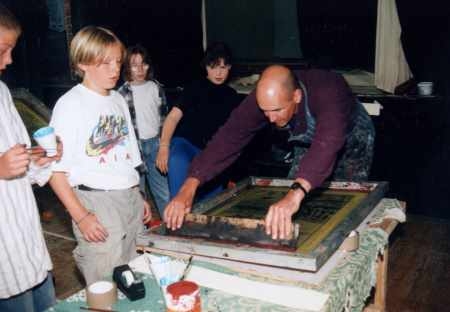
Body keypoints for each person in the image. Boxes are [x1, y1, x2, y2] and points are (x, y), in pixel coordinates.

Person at [164, 65, 375, 240]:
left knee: (344, 204)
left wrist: (296, 193)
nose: (270, 119)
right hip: (309, 142)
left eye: (277, 111)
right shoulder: (263, 98)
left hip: (351, 138)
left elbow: (328, 143)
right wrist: (190, 185)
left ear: (297, 96)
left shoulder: (329, 89)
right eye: (265, 112)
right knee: (291, 205)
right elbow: (228, 138)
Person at [49, 26, 151, 285]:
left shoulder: (117, 99)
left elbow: (129, 157)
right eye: (105, 63)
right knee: (106, 279)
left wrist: (138, 196)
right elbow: (55, 171)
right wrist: (81, 217)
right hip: (96, 201)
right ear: (83, 63)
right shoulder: (69, 105)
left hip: (129, 198)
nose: (115, 69)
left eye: (118, 61)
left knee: (136, 274)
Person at [0, 4, 61, 311]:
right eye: (2, 50)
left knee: (46, 303)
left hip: (26, 234)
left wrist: (42, 157)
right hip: (3, 256)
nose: (9, 60)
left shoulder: (2, 92)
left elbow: (22, 152)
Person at [155, 42, 240, 203]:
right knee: (179, 195)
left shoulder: (233, 96)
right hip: (185, 146)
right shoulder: (194, 87)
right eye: (214, 66)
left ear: (229, 68)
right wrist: (164, 147)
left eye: (223, 67)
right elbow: (172, 118)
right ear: (206, 66)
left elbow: (235, 136)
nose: (218, 72)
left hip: (211, 153)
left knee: (210, 206)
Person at [119, 44, 169, 216]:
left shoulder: (156, 87)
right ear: (127, 67)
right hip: (135, 149)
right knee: (138, 195)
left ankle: (170, 229)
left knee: (163, 192)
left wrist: (164, 145)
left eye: (143, 64)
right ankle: (142, 233)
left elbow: (165, 118)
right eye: (134, 65)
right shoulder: (121, 93)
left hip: (155, 146)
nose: (140, 69)